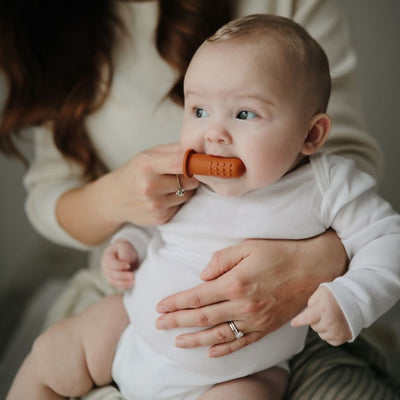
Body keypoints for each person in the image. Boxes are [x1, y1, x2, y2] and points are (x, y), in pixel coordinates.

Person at [1, 1, 399, 399]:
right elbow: (155, 226)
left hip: (238, 371)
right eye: (199, 110)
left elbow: (388, 241)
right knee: (51, 351)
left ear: (311, 135)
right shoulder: (185, 175)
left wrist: (349, 296)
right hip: (134, 328)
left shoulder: (328, 184)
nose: (215, 134)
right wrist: (128, 247)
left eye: (244, 114)